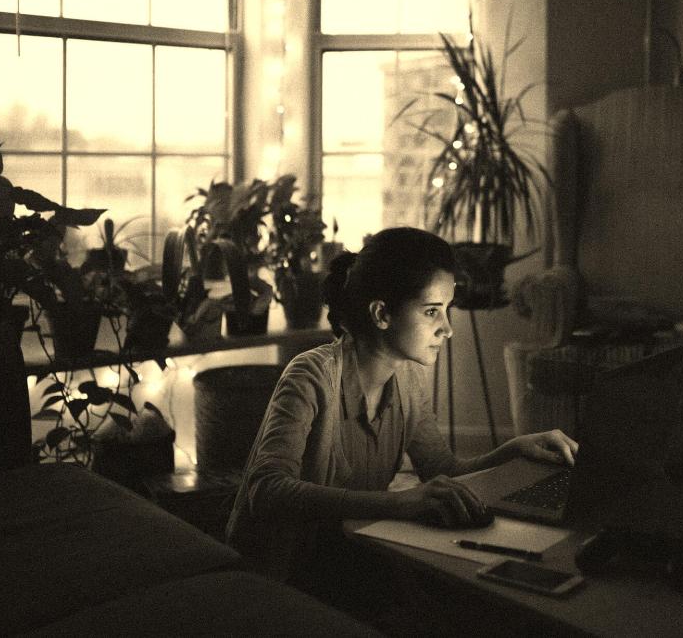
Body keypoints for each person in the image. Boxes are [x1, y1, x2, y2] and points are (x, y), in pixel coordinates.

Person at [225, 227, 578, 616]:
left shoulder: (408, 379)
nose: (447, 329)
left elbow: (442, 470)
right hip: (284, 571)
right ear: (381, 314)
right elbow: (267, 490)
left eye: (447, 310)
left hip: (346, 554)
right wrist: (396, 503)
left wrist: (514, 449)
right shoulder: (311, 375)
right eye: (431, 311)